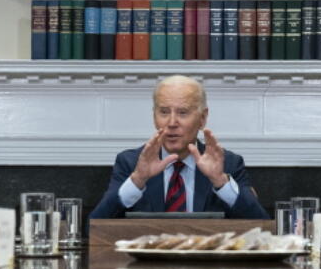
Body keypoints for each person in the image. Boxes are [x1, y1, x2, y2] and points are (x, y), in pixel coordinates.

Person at [90, 75, 265, 219]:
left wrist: (220, 182)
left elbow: (263, 227)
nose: (172, 123)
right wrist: (137, 181)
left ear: (202, 118)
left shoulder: (228, 164)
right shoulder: (130, 163)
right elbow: (92, 230)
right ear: (154, 116)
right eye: (164, 112)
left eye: (183, 112)